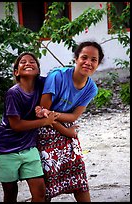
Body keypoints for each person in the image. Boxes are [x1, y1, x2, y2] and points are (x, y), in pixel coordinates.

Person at [35, 41, 104, 202]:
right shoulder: (57, 76)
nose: (88, 63)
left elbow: (73, 117)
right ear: (76, 59)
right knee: (47, 181)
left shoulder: (91, 88)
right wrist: (67, 131)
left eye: (93, 60)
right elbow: (42, 114)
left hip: (62, 124)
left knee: (79, 178)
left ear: (98, 64)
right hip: (43, 129)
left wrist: (59, 121)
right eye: (84, 57)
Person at [0, 52, 59, 202]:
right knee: (10, 192)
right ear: (16, 72)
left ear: (38, 70)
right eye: (23, 62)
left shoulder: (42, 85)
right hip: (6, 148)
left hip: (29, 147)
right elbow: (16, 125)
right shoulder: (13, 93)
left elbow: (59, 78)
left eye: (32, 62)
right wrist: (44, 122)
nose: (28, 63)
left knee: (40, 192)